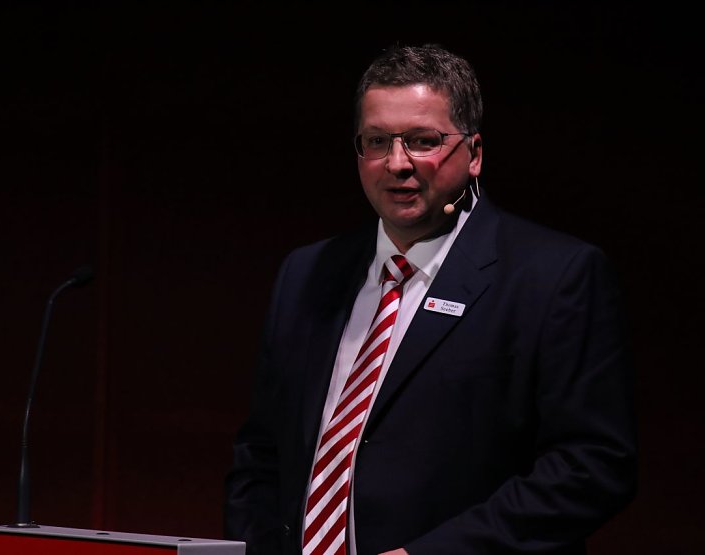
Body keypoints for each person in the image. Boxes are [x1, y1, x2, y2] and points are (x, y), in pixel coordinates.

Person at [223, 43, 637, 555]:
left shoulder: (553, 276)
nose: (397, 163)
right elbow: (261, 454)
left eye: (422, 141)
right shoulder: (306, 272)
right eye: (377, 141)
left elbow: (591, 467)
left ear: (475, 154)